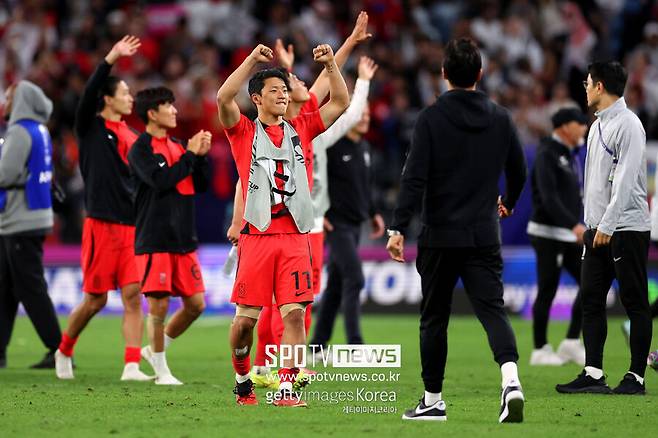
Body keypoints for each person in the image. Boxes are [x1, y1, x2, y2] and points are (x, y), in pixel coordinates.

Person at [386, 38, 527, 423]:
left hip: (439, 236)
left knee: (434, 318)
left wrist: (397, 226)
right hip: (483, 233)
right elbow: (519, 171)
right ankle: (511, 381)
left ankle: (433, 400)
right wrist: (509, 201)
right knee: (493, 312)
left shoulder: (431, 118)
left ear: (444, 74)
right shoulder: (501, 118)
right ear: (480, 75)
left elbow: (413, 178)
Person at [217, 42, 348, 406]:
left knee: (295, 315)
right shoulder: (241, 131)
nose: (282, 95)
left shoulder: (302, 127)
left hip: (294, 238)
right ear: (257, 98)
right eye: (274, 90)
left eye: (284, 90)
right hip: (256, 238)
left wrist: (332, 64)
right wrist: (250, 61)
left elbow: (340, 102)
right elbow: (224, 96)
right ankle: (243, 379)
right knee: (245, 324)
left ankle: (287, 389)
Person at [54, 36, 152, 381]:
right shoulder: (90, 127)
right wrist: (110, 58)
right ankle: (64, 349)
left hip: (131, 226)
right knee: (95, 301)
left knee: (132, 294)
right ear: (107, 99)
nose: (130, 98)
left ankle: (130, 366)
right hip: (100, 224)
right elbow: (87, 93)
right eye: (125, 93)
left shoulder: (132, 135)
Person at [556, 61, 652, 395]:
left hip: (625, 228)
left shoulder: (629, 125)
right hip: (597, 231)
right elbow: (596, 185)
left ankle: (636, 377)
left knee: (635, 302)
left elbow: (625, 181)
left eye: (587, 83)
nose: (584, 89)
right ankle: (594, 373)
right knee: (591, 302)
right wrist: (591, 226)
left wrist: (608, 225)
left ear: (599, 87)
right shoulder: (597, 126)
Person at [128, 86, 211, 385]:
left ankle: (155, 350)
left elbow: (201, 185)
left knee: (196, 305)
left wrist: (200, 158)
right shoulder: (140, 149)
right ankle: (162, 371)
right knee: (159, 305)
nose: (175, 111)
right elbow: (160, 181)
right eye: (168, 106)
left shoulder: (177, 146)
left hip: (183, 240)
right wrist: (190, 156)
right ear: (152, 113)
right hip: (155, 238)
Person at [310, 76, 385, 353]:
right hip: (336, 224)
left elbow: (366, 186)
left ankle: (317, 345)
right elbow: (316, 179)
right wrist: (321, 211)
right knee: (355, 277)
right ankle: (355, 344)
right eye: (361, 114)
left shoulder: (365, 149)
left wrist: (374, 213)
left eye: (367, 115)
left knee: (337, 285)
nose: (365, 119)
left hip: (355, 225)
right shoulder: (333, 147)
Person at [0, 81, 62, 369]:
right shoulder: (40, 130)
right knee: (6, 288)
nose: (6, 101)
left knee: (29, 287)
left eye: (10, 97)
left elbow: (6, 173)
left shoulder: (18, 131)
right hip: (32, 215)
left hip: (18, 219)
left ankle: (59, 348)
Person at [527, 108, 589, 366]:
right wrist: (574, 225)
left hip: (568, 234)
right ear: (565, 126)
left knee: (590, 283)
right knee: (548, 289)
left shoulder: (569, 155)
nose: (584, 129)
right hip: (547, 234)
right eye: (580, 124)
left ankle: (571, 342)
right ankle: (540, 349)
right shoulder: (547, 154)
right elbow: (548, 198)